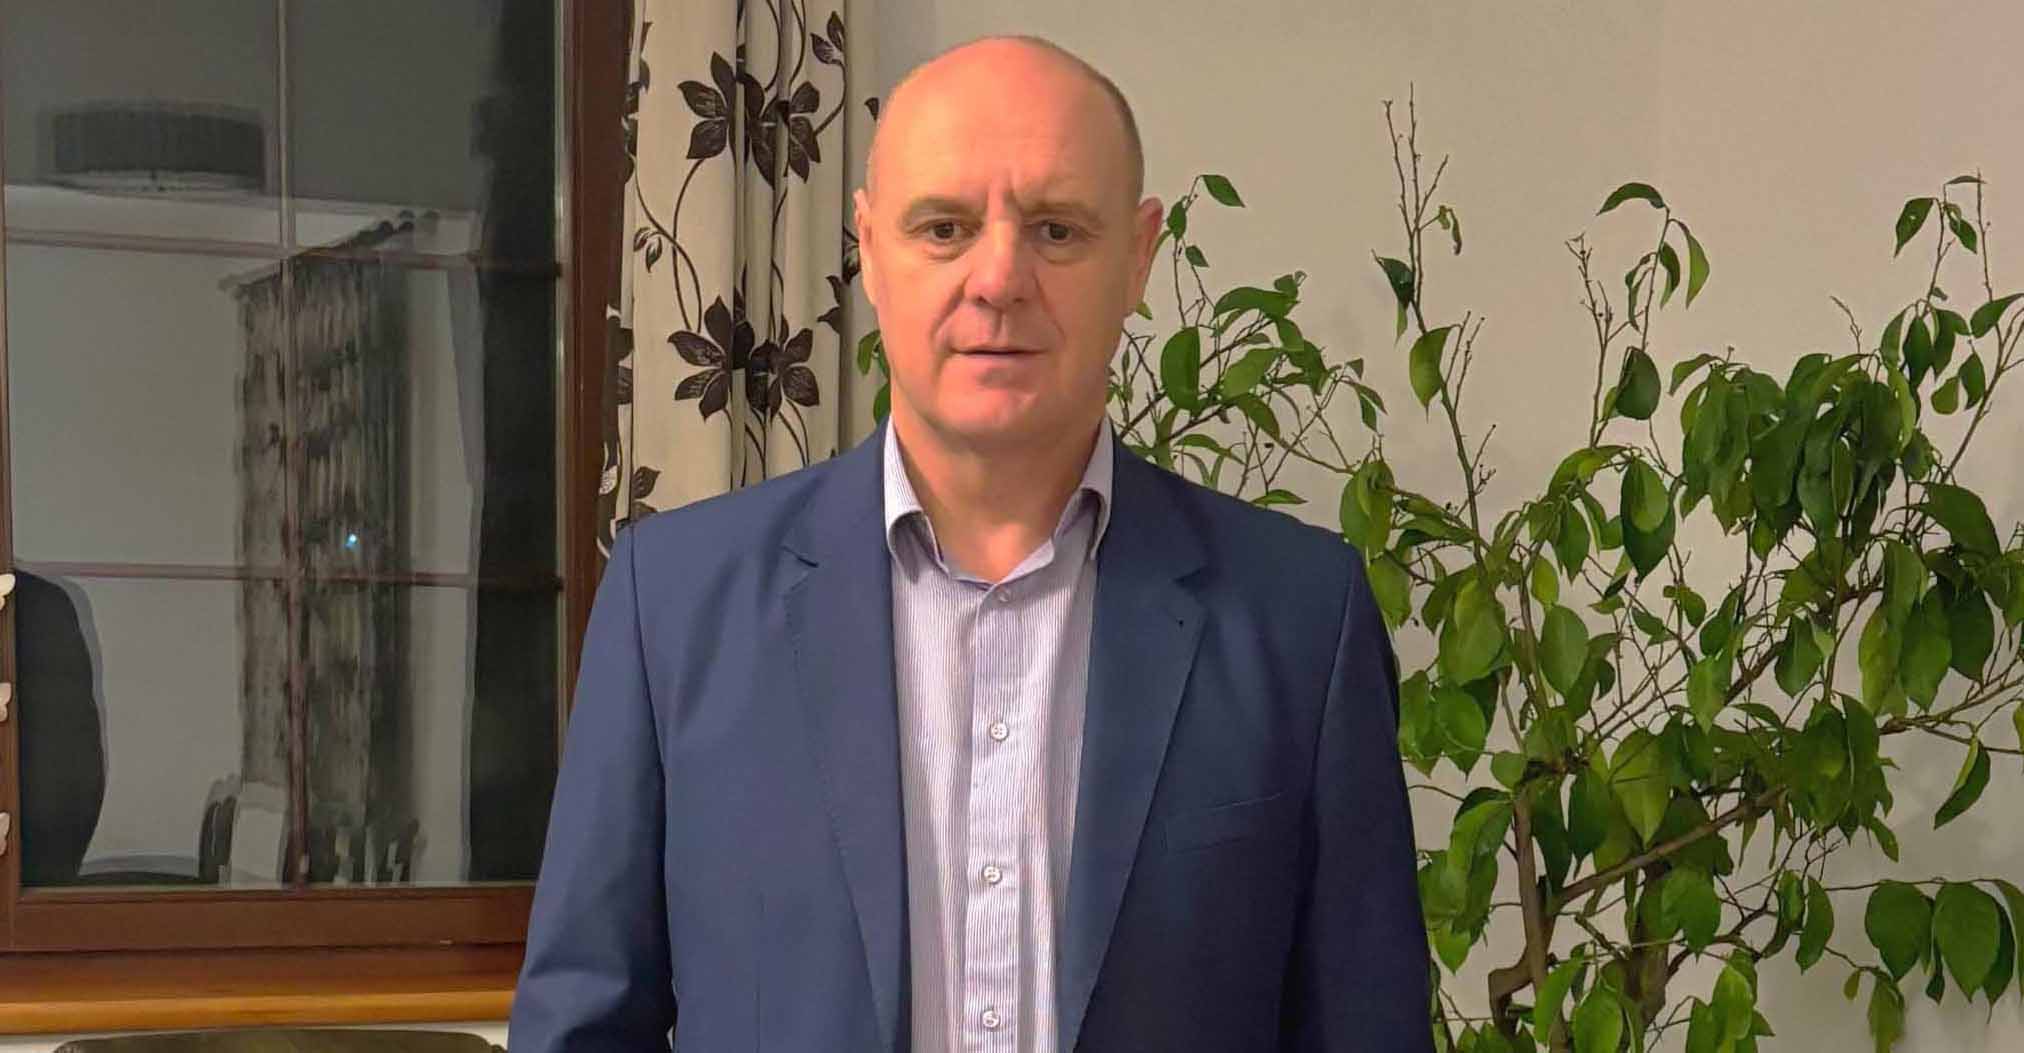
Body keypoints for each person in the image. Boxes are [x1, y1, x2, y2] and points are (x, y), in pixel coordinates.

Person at [511, 34, 1431, 1052]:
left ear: (1138, 258)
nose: (999, 278)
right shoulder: (675, 604)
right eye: (944, 228)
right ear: (869, 250)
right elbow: (583, 1028)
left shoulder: (1301, 619)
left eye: (1056, 230)